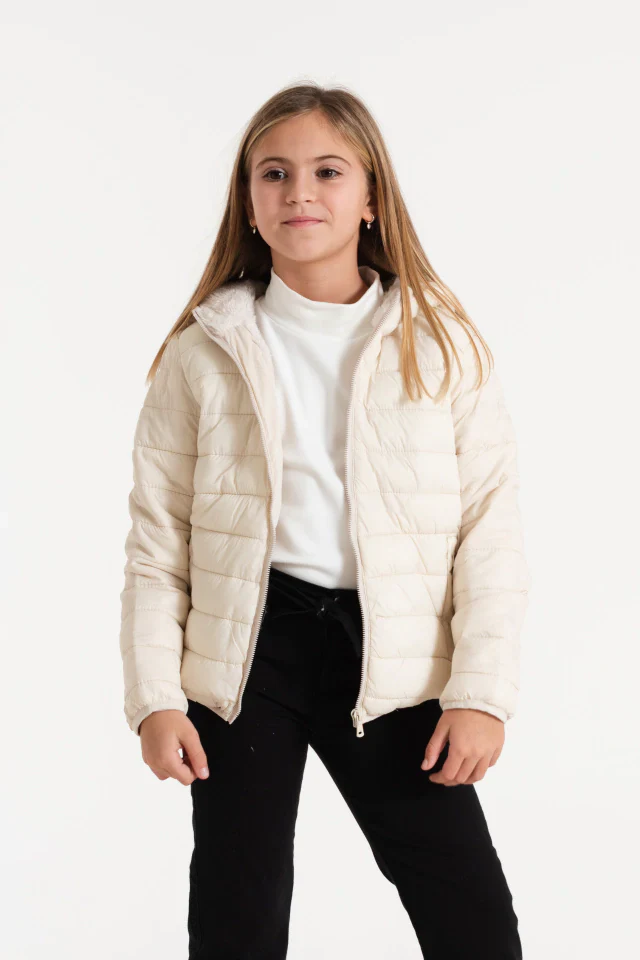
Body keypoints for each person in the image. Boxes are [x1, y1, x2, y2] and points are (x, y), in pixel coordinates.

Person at [118, 81, 531, 959]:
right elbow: (158, 546)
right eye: (274, 173)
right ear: (249, 202)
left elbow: (489, 532)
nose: (299, 192)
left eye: (328, 172)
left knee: (470, 916)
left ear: (371, 197)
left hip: (391, 655)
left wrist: (479, 694)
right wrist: (155, 697)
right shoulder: (201, 353)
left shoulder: (441, 343)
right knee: (237, 912)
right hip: (246, 651)